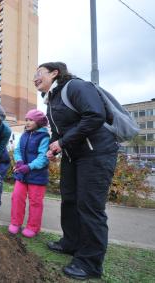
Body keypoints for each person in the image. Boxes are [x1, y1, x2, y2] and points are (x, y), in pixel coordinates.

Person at [34, 62, 118, 280]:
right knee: (69, 200)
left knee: (90, 207)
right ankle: (70, 243)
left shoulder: (75, 87)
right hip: (73, 156)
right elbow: (58, 130)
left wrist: (62, 142)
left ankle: (90, 263)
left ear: (55, 73)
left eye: (39, 73)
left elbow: (95, 116)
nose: (35, 77)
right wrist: (54, 146)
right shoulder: (51, 100)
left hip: (96, 154)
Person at [9, 109, 49, 238]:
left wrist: (30, 167)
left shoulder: (44, 137)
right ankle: (15, 223)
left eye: (30, 120)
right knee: (17, 197)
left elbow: (43, 157)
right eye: (26, 120)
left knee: (35, 202)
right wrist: (19, 161)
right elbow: (17, 150)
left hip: (37, 175)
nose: (27, 122)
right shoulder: (25, 134)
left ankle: (33, 227)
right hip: (22, 174)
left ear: (38, 122)